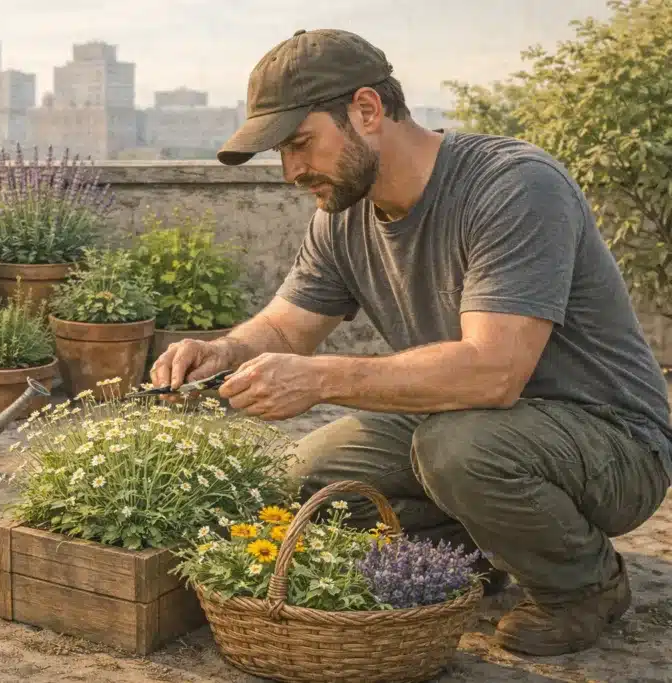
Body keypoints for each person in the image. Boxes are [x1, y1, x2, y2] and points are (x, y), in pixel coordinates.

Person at [150, 28, 672, 657]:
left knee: (457, 449)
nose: (290, 171)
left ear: (367, 111)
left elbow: (494, 372)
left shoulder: (512, 186)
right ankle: (473, 551)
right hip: (473, 423)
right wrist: (225, 350)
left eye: (300, 144)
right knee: (303, 480)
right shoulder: (340, 215)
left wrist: (321, 379)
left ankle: (584, 588)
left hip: (612, 441)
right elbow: (287, 328)